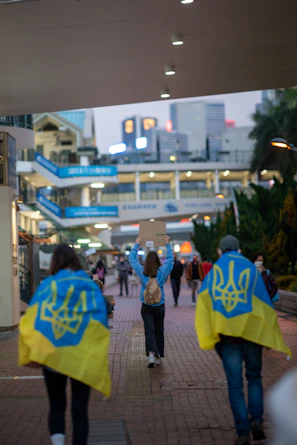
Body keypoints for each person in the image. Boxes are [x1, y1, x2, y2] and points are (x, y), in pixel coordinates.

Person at [195, 235, 291, 445]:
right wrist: (267, 332)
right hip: (251, 335)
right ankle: (256, 421)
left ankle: (242, 433)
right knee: (254, 378)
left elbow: (204, 302)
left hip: (228, 338)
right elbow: (263, 300)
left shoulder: (215, 271)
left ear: (220, 251)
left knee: (235, 386)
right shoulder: (250, 269)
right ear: (238, 250)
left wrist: (212, 334)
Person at [19, 245, 111, 445]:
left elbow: (32, 317)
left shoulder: (48, 285)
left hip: (53, 353)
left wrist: (32, 348)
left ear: (55, 262)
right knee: (79, 408)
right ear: (75, 261)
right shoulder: (88, 285)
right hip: (82, 355)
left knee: (56, 403)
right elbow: (100, 319)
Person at [129, 235, 174, 368]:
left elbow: (131, 259)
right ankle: (159, 355)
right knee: (159, 330)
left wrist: (136, 244)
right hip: (160, 305)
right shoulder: (162, 271)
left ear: (147, 261)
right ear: (158, 261)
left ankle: (150, 355)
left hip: (146, 305)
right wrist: (167, 244)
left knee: (149, 330)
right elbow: (171, 261)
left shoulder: (142, 271)